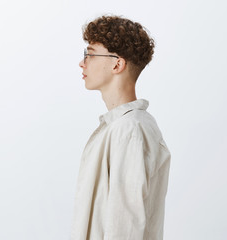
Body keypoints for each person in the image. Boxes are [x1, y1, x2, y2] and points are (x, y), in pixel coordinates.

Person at [70, 15, 171, 240]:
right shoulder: (125, 125)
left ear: (117, 63)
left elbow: (125, 226)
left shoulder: (129, 129)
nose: (82, 62)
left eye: (91, 54)